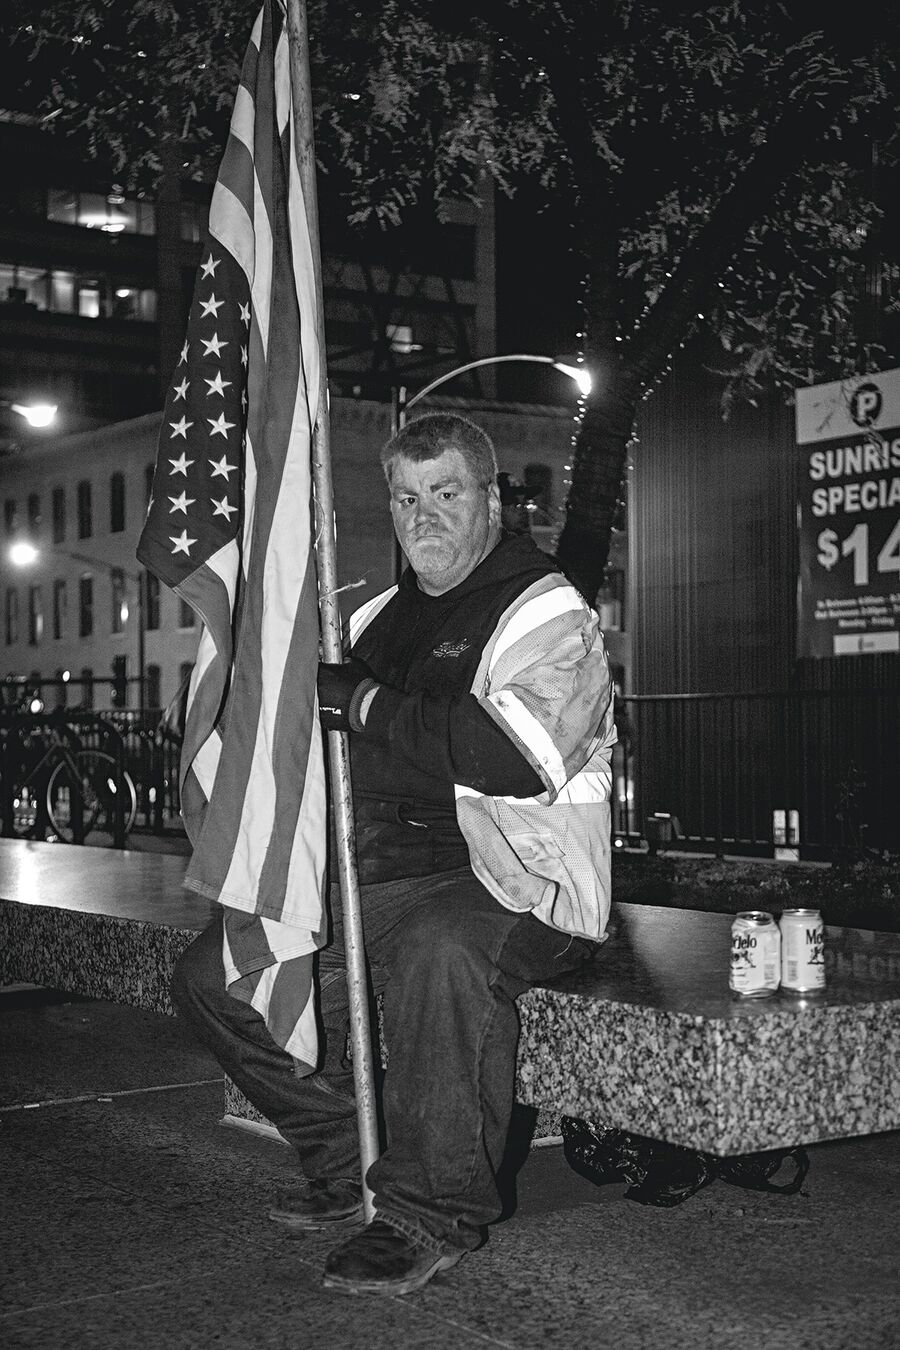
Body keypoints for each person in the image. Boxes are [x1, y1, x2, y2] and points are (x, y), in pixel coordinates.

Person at [171, 412, 616, 1296]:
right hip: (371, 878)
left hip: (513, 880)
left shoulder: (545, 605)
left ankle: (429, 1213)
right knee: (212, 980)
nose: (425, 515)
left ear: (492, 500)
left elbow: (511, 756)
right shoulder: (375, 613)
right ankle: (349, 1154)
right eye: (407, 497)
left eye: (447, 493)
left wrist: (363, 703)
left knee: (439, 955)